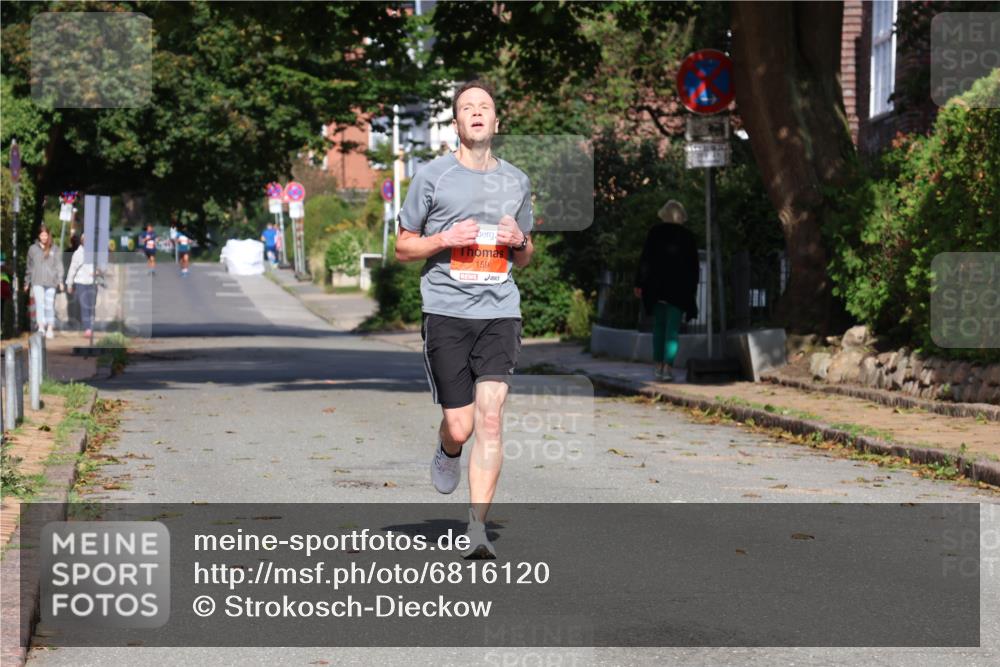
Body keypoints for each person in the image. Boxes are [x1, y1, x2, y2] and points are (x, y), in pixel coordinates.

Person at [396, 80, 534, 559]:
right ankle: (447, 449)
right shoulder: (433, 177)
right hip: (446, 311)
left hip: (499, 310)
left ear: (497, 122)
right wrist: (444, 238)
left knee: (491, 418)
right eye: (466, 108)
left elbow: (526, 256)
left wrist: (520, 241)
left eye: (485, 107)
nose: (476, 113)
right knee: (462, 426)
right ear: (456, 123)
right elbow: (402, 245)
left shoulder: (516, 181)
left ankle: (476, 529)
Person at [634, 200, 700, 381]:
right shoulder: (688, 237)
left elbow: (645, 259)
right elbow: (693, 267)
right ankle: (667, 367)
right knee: (672, 331)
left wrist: (639, 283)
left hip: (657, 288)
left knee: (659, 328)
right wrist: (692, 289)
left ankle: (656, 366)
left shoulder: (655, 232)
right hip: (678, 290)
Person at [25, 225, 65, 339]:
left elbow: (59, 266)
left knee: (49, 305)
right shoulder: (33, 249)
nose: (44, 237)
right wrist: (26, 282)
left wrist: (60, 280)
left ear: (48, 235)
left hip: (51, 282)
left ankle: (50, 328)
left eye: (45, 235)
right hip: (37, 281)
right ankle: (41, 327)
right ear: (39, 235)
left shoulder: (55, 249)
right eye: (42, 235)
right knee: (39, 304)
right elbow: (29, 267)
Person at [66, 232, 97, 337]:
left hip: (93, 282)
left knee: (91, 306)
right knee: (84, 305)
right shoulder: (77, 254)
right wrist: (69, 284)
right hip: (81, 282)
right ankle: (87, 328)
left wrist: (98, 271)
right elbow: (72, 269)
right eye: (85, 239)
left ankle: (91, 326)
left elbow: (102, 267)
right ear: (82, 241)